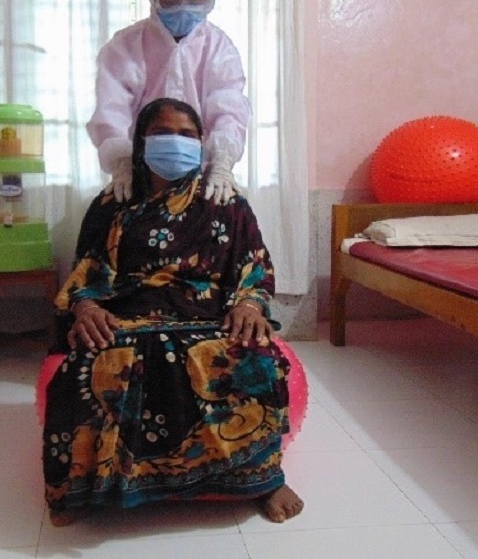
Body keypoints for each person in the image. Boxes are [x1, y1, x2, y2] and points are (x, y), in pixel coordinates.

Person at [44, 97, 303, 527]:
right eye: (163, 132)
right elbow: (86, 268)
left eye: (187, 135)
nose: (175, 142)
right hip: (128, 311)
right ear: (140, 141)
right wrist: (86, 305)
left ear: (202, 144)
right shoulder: (112, 204)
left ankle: (261, 480)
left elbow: (254, 265)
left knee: (252, 358)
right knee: (95, 361)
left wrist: (249, 303)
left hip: (208, 313)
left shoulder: (226, 203)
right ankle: (83, 486)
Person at [86, 0, 249, 205]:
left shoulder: (219, 48)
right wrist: (121, 162)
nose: (184, 8)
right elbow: (111, 110)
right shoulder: (126, 46)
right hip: (137, 181)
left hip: (204, 182)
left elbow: (229, 107)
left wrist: (222, 160)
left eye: (196, 0)